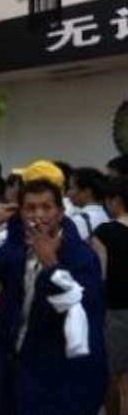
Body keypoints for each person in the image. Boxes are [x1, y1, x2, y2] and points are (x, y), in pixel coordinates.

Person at [0, 160, 107, 415]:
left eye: (47, 207)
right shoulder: (19, 247)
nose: (38, 215)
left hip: (59, 378)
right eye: (30, 208)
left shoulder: (80, 255)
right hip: (16, 369)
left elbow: (79, 309)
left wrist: (50, 264)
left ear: (60, 212)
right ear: (20, 212)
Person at [93, 175, 128, 415]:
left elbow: (100, 275)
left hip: (116, 311)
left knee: (116, 375)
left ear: (115, 200)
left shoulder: (105, 232)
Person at [69, 167, 110, 240]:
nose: (68, 193)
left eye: (71, 188)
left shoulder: (78, 220)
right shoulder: (109, 216)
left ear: (87, 191)